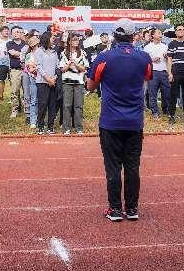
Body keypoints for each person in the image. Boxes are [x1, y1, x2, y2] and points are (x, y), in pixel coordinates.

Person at [86, 18, 152, 222]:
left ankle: (115, 209)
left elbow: (90, 86)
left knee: (113, 167)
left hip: (110, 121)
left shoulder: (104, 57)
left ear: (114, 35)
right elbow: (147, 78)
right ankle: (132, 209)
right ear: (134, 36)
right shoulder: (144, 57)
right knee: (132, 166)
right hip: (134, 121)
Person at [59, 32, 87, 134]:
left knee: (78, 105)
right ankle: (66, 128)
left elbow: (84, 68)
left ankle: (79, 128)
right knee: (67, 105)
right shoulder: (64, 53)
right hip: (67, 82)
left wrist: (76, 64)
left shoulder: (82, 53)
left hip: (79, 82)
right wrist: (69, 64)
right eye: (74, 39)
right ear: (69, 41)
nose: (76, 41)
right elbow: (62, 69)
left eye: (77, 39)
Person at [166, 23, 184, 124]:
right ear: (175, 32)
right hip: (175, 72)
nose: (180, 31)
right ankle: (172, 115)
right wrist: (170, 73)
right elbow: (169, 60)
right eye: (178, 30)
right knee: (173, 95)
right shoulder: (172, 44)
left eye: (182, 29)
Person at [33, 31, 61, 134]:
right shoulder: (39, 51)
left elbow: (58, 67)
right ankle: (40, 126)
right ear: (46, 38)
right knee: (42, 105)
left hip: (53, 82)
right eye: (52, 37)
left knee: (52, 105)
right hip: (42, 82)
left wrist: (54, 78)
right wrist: (47, 78)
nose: (54, 39)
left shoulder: (54, 52)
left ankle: (50, 126)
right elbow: (39, 67)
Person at [143, 28, 170, 119]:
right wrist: (152, 59)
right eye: (159, 33)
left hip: (164, 71)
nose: (161, 34)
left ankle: (165, 109)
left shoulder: (165, 46)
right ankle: (155, 111)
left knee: (166, 93)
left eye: (161, 33)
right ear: (153, 35)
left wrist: (167, 57)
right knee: (152, 93)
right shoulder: (147, 47)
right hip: (153, 72)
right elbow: (143, 61)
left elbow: (169, 59)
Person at [6, 25, 27, 118]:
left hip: (26, 70)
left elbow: (28, 55)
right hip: (15, 70)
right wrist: (22, 54)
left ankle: (27, 109)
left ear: (21, 33)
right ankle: (15, 109)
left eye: (18, 32)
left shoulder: (25, 43)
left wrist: (19, 54)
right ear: (11, 34)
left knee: (26, 91)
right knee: (15, 91)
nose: (16, 34)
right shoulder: (9, 44)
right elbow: (13, 53)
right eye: (14, 32)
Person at [21, 32, 40, 130]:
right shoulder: (29, 55)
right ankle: (33, 120)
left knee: (40, 100)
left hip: (42, 79)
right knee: (33, 99)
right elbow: (29, 68)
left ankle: (39, 119)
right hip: (33, 78)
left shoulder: (42, 53)